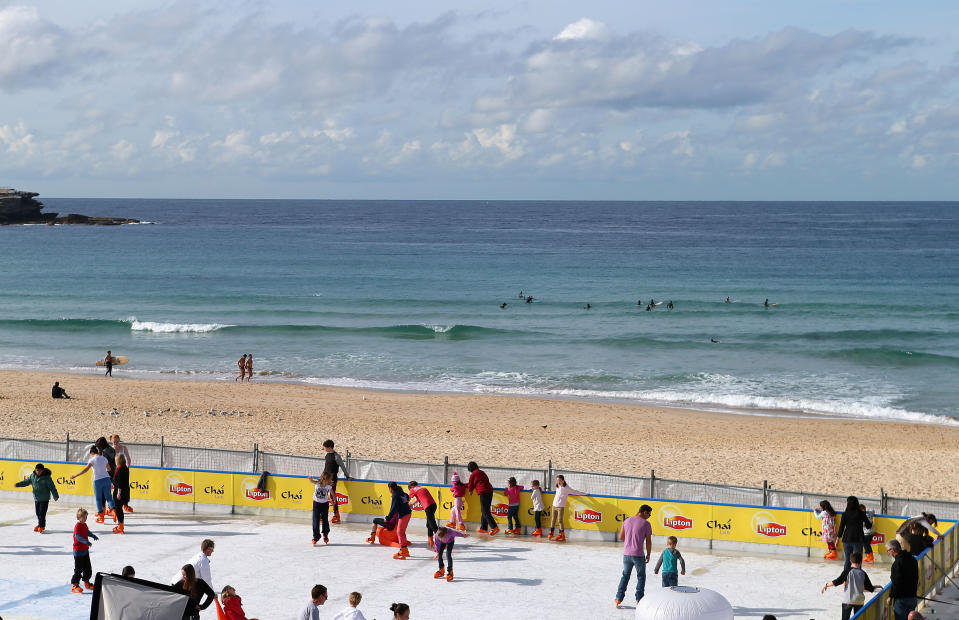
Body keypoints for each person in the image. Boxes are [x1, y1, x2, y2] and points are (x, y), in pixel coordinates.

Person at [821, 551, 880, 620]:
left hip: (847, 600)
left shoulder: (847, 571)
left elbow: (838, 581)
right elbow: (870, 588)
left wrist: (826, 585)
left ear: (850, 561)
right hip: (859, 601)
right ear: (861, 562)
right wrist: (875, 586)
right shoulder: (863, 573)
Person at [615, 504, 653, 607]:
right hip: (638, 554)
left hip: (626, 554)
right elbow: (648, 542)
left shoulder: (627, 521)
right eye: (649, 514)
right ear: (644, 512)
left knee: (625, 576)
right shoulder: (646, 524)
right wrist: (648, 554)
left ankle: (618, 598)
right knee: (641, 577)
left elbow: (621, 537)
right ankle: (639, 599)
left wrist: (630, 542)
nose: (649, 516)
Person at [70, 446, 116, 524]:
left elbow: (85, 470)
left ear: (92, 453)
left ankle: (101, 517)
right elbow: (109, 469)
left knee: (98, 499)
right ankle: (115, 512)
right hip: (107, 479)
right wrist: (103, 469)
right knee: (109, 497)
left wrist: (75, 475)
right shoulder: (104, 458)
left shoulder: (92, 460)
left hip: (97, 481)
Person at [365, 482, 412, 559]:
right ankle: (404, 550)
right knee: (401, 532)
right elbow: (407, 497)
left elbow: (393, 508)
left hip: (403, 515)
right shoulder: (402, 493)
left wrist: (387, 518)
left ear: (390, 488)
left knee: (400, 532)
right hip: (407, 513)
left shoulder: (395, 495)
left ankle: (403, 551)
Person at [16, 463, 59, 532]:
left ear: (42, 470)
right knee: (37, 513)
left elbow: (52, 487)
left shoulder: (47, 477)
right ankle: (39, 524)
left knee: (42, 513)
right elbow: (27, 482)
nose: (38, 472)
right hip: (37, 498)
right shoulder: (33, 476)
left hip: (45, 498)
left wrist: (55, 495)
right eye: (36, 470)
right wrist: (18, 484)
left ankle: (42, 526)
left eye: (39, 470)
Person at [837, 495, 871, 572]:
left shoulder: (845, 514)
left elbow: (841, 527)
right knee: (857, 560)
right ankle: (857, 576)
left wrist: (838, 538)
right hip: (858, 539)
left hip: (847, 539)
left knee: (847, 560)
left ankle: (845, 578)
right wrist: (865, 523)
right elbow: (868, 526)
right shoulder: (861, 513)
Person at [886, 540, 918, 620]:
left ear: (892, 550)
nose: (888, 553)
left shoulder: (897, 563)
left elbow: (896, 582)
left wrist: (891, 596)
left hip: (901, 599)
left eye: (888, 550)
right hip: (912, 596)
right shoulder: (912, 559)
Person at [548, 474, 585, 541]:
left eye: (559, 481)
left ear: (563, 480)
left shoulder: (567, 488)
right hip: (554, 505)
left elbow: (575, 492)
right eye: (557, 481)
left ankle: (562, 534)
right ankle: (551, 532)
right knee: (553, 520)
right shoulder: (557, 486)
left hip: (561, 507)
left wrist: (585, 493)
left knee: (560, 520)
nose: (558, 482)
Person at [70, 508, 99, 593]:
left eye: (86, 517)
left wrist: (92, 535)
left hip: (85, 551)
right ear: (79, 517)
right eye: (84, 517)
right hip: (78, 552)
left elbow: (87, 532)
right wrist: (86, 541)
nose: (85, 519)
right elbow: (78, 536)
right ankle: (75, 585)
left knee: (87, 568)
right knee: (78, 570)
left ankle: (86, 582)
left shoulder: (84, 525)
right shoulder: (77, 526)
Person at [322, 439, 350, 524]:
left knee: (332, 495)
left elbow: (342, 466)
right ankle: (323, 514)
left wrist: (347, 475)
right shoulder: (327, 455)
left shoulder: (336, 456)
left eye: (325, 447)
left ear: (330, 447)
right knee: (323, 494)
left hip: (332, 478)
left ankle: (336, 514)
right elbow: (326, 467)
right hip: (325, 477)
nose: (324, 449)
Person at [467, 461, 497, 535]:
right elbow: (484, 480)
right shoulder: (481, 472)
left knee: (486, 511)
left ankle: (494, 527)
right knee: (484, 510)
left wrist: (470, 491)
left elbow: (471, 483)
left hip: (484, 492)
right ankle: (483, 528)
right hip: (489, 491)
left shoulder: (473, 474)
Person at [407, 481, 438, 549]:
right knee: (429, 524)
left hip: (428, 506)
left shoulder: (413, 489)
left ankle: (442, 540)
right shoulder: (422, 488)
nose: (410, 490)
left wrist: (405, 505)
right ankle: (430, 540)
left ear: (411, 486)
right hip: (433, 505)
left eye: (409, 489)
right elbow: (418, 498)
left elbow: (407, 499)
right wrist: (411, 504)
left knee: (433, 525)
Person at [307, 471, 333, 545]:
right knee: (315, 520)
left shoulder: (328, 486)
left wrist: (334, 500)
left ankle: (325, 534)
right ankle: (316, 536)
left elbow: (332, 493)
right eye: (324, 479)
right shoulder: (317, 483)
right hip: (316, 504)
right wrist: (310, 479)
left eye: (327, 480)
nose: (325, 481)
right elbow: (312, 481)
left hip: (325, 505)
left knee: (325, 520)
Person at [111, 454, 130, 534]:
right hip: (125, 491)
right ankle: (120, 525)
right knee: (119, 509)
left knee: (118, 509)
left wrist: (118, 492)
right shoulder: (125, 468)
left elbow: (120, 482)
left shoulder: (120, 469)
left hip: (120, 492)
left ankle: (120, 527)